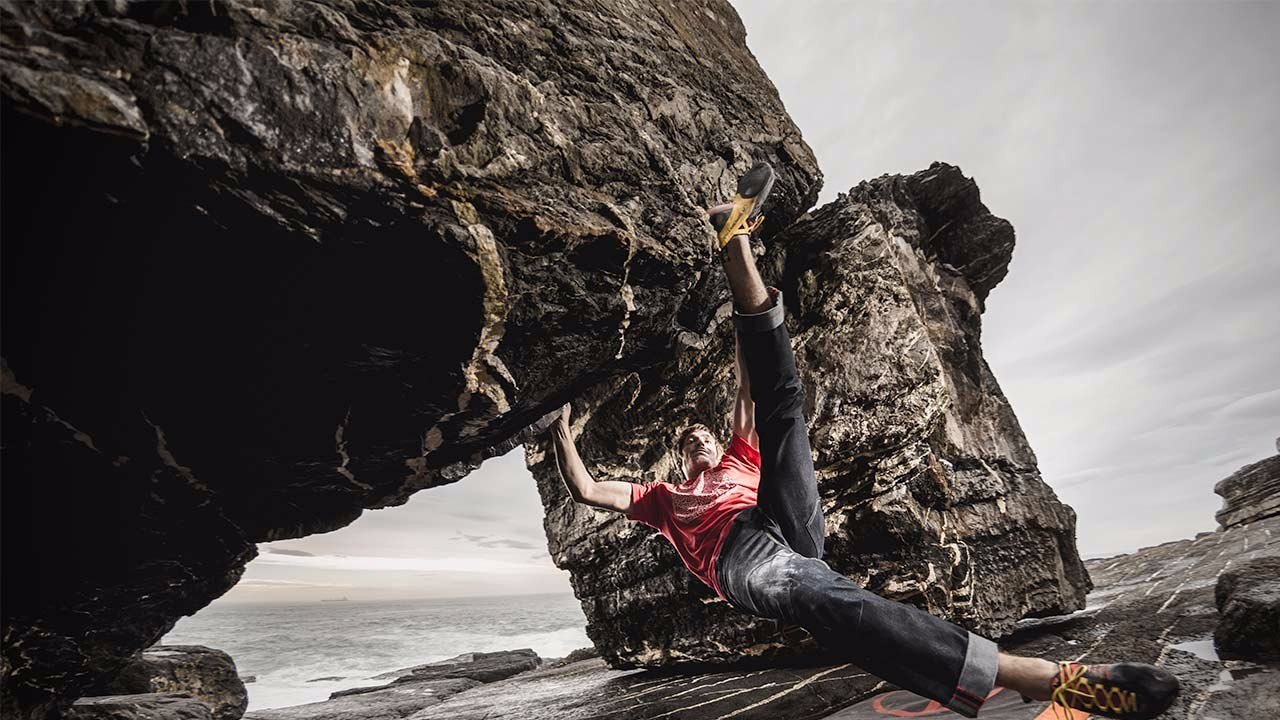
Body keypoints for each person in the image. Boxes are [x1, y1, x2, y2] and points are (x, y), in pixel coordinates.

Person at [548, 162, 1179, 719]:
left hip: (781, 516)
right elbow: (585, 487)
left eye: (701, 432)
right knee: (820, 596)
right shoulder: (663, 499)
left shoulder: (739, 452)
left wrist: (742, 266)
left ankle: (731, 237)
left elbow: (755, 375)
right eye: (686, 439)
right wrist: (558, 430)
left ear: (714, 440)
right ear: (681, 458)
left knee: (783, 408)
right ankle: (1049, 681)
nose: (695, 439)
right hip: (741, 562)